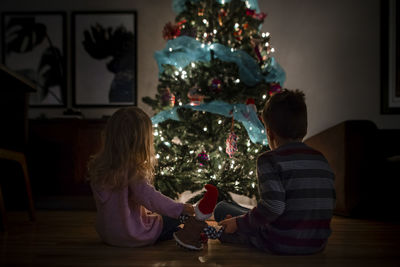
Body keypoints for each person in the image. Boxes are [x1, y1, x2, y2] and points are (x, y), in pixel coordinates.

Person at [215, 89, 336, 254]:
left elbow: (274, 208)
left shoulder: (269, 160)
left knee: (222, 209)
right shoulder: (320, 158)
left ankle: (236, 226)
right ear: (304, 129)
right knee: (242, 214)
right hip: (317, 244)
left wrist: (238, 224)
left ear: (269, 132)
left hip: (282, 242)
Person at [87, 107, 194, 247]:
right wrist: (180, 208)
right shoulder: (133, 170)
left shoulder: (99, 166)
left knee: (164, 216)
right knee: (179, 216)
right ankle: (182, 231)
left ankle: (176, 231)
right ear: (141, 141)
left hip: (108, 234)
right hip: (134, 235)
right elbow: (150, 198)